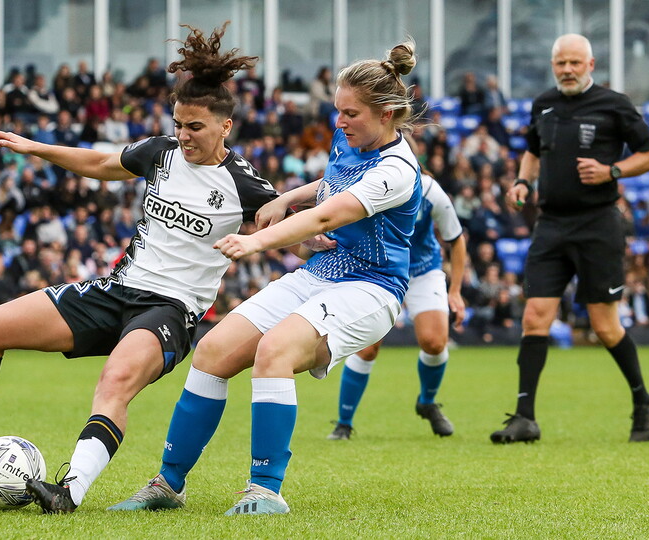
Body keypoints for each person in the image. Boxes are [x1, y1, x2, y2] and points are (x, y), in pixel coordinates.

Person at [0, 22, 276, 515]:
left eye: (195, 127)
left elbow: (290, 231)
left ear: (224, 126)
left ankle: (69, 491)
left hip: (169, 311)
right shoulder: (159, 154)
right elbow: (100, 163)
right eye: (178, 124)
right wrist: (33, 146)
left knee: (114, 382)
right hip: (115, 289)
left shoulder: (245, 184)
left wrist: (310, 237)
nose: (184, 136)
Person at [110, 38, 422, 516]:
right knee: (213, 352)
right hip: (322, 272)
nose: (339, 122)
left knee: (274, 351)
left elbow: (328, 216)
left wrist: (255, 241)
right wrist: (287, 196)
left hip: (372, 287)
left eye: (351, 114)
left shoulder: (398, 170)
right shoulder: (352, 138)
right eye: (338, 111)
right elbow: (335, 180)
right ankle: (167, 485)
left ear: (386, 114)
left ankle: (265, 490)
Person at [492, 34, 649, 444]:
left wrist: (612, 171)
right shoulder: (543, 103)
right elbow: (533, 151)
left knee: (604, 326)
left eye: (574, 63)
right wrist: (521, 182)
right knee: (535, 317)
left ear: (591, 64)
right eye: (560, 63)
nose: (567, 70)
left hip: (598, 225)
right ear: (554, 66)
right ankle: (525, 418)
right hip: (551, 224)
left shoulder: (615, 104)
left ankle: (642, 400)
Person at [327, 173, 466, 440]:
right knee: (367, 348)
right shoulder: (370, 185)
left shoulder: (430, 192)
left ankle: (427, 401)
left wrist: (456, 291)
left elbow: (456, 239)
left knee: (435, 343)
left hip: (422, 270)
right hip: (378, 270)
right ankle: (343, 423)